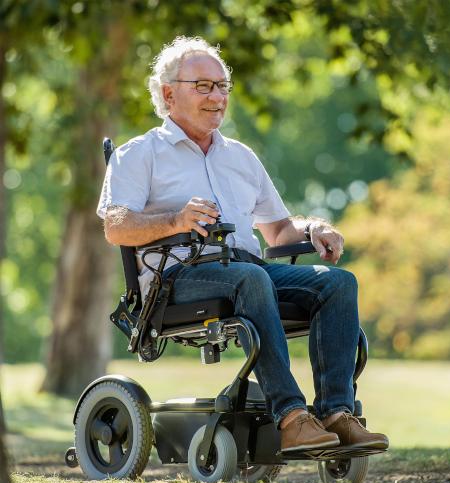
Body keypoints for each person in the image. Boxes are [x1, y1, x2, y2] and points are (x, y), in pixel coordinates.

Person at [97, 36, 389, 453]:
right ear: (168, 93)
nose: (216, 96)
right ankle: (290, 418)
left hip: (248, 270)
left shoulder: (240, 157)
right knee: (250, 278)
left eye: (222, 86)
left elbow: (279, 233)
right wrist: (176, 219)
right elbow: (116, 226)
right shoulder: (139, 154)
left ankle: (336, 415)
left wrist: (313, 230)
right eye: (203, 86)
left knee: (337, 283)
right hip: (178, 278)